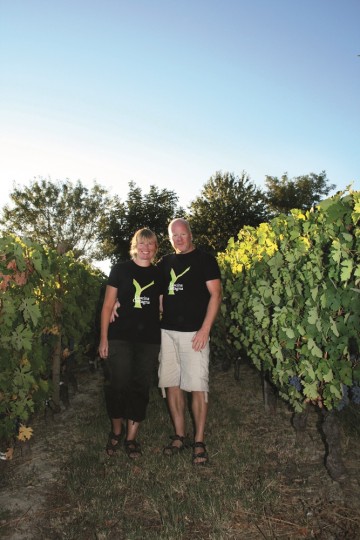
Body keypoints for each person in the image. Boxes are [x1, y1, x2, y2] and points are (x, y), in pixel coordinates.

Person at [158, 218, 222, 465]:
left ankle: (199, 441)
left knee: (197, 386)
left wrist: (205, 329)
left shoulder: (205, 260)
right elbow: (156, 291)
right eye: (174, 236)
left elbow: (216, 294)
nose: (179, 239)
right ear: (170, 238)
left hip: (195, 333)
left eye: (182, 234)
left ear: (190, 234)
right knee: (171, 384)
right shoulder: (165, 262)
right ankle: (179, 436)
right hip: (168, 333)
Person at [98, 228, 161, 459]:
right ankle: (116, 430)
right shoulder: (120, 270)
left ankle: (131, 438)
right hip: (119, 337)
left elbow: (163, 305)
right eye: (142, 244)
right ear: (135, 246)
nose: (146, 248)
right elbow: (107, 305)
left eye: (151, 244)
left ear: (155, 248)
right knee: (118, 384)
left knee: (140, 386)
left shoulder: (159, 274)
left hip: (149, 340)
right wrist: (104, 338)